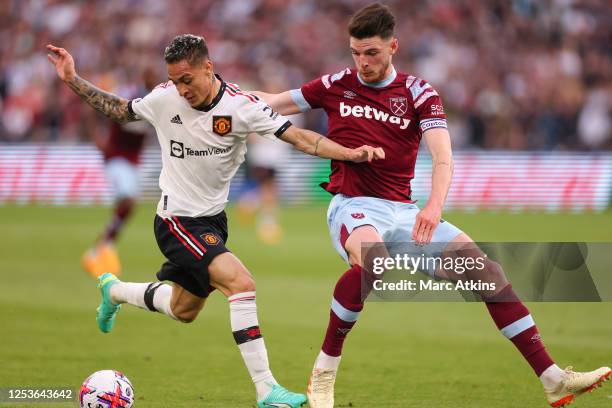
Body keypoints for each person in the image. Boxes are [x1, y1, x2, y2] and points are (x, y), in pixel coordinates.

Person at [253, 3, 611, 407]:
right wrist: (222, 97)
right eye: (355, 52)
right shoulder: (336, 84)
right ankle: (324, 372)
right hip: (353, 205)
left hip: (406, 211)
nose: (362, 62)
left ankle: (552, 379)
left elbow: (443, 156)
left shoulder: (418, 92)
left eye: (371, 53)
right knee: (372, 259)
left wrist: (434, 207)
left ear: (393, 47)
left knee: (487, 274)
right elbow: (274, 101)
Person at [46, 34, 384, 408]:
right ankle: (266, 389)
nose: (181, 89)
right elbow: (119, 109)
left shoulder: (242, 107)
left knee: (183, 309)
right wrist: (72, 79)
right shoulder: (163, 98)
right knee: (240, 283)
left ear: (208, 67)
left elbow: (302, 139)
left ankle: (113, 291)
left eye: (186, 79)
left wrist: (351, 154)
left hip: (213, 222)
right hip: (176, 221)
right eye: (174, 80)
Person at [82, 68, 157, 278]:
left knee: (127, 208)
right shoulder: (131, 101)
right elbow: (93, 109)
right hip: (116, 158)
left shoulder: (156, 106)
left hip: (133, 162)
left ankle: (100, 249)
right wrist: (97, 137)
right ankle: (104, 248)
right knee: (128, 202)